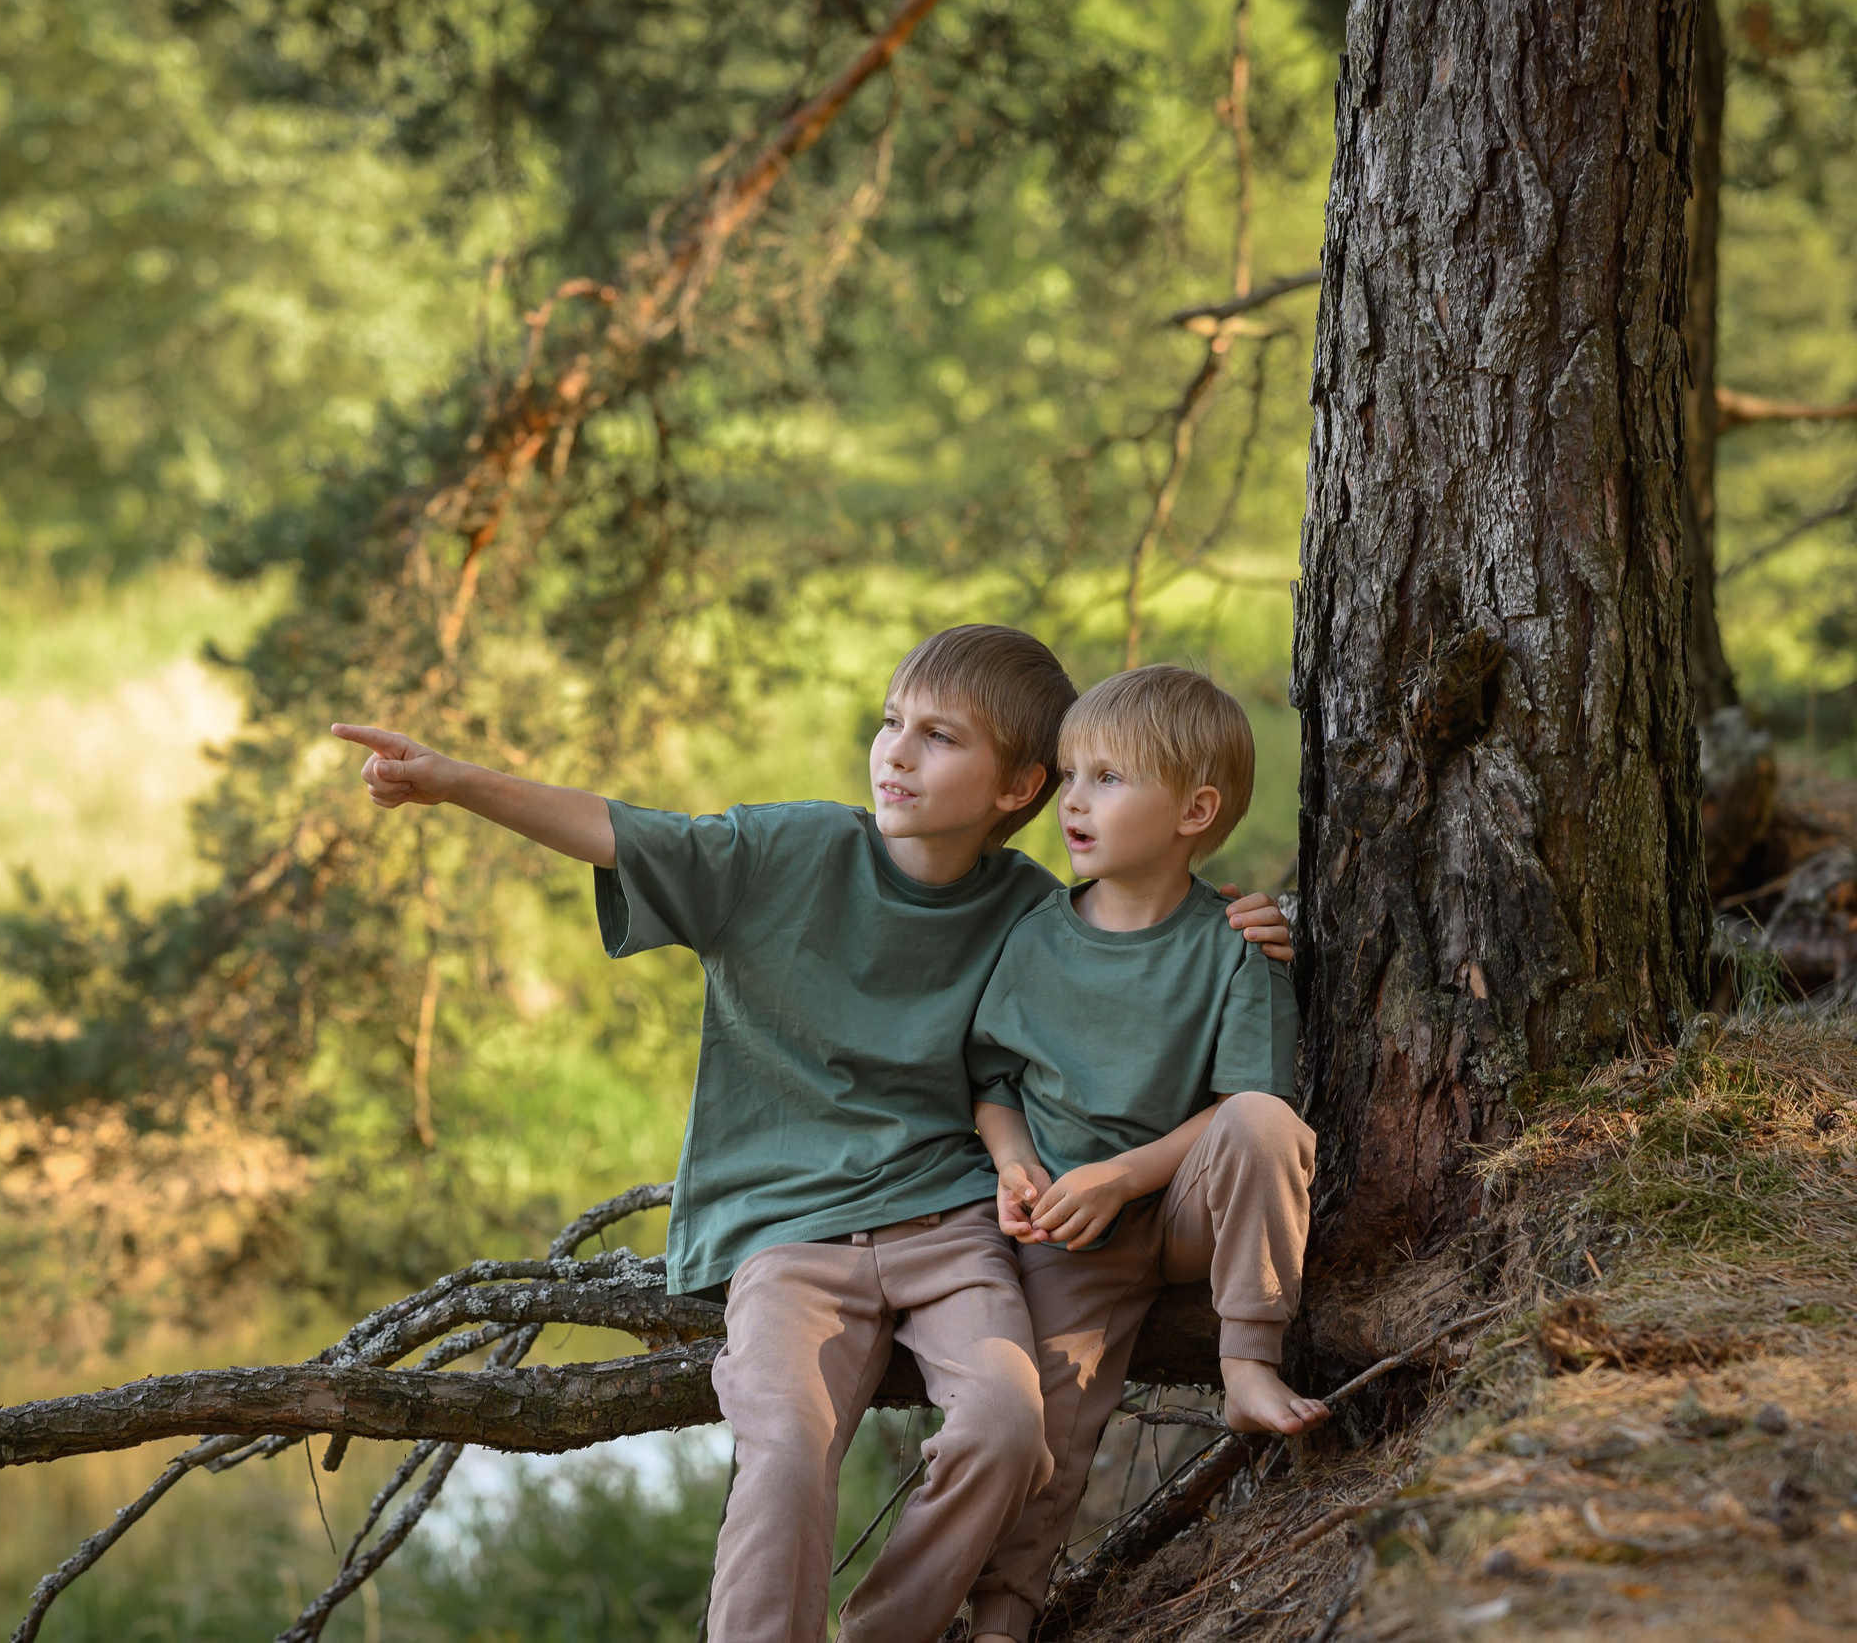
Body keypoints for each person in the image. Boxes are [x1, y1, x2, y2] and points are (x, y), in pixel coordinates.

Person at [331, 627, 1288, 1643]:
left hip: (953, 1224)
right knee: (786, 1449)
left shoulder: (1029, 909)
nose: (896, 752)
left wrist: (1238, 920)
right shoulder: (787, 852)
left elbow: (1139, 936)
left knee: (1010, 1428)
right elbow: (621, 832)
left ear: (1018, 786)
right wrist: (453, 781)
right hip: (787, 1236)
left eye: (938, 736)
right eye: (890, 721)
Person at [962, 664, 1322, 1643]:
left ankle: (1248, 1362)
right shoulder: (1033, 938)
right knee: (1045, 1429)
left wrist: (1125, 1173)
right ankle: (1000, 1617)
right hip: (1071, 1232)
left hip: (1186, 1211)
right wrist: (1014, 1165)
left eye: (1108, 778)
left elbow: (1250, 1105)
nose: (1073, 800)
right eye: (1070, 775)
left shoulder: (1234, 943)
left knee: (1264, 1123)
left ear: (1194, 810)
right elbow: (993, 1082)